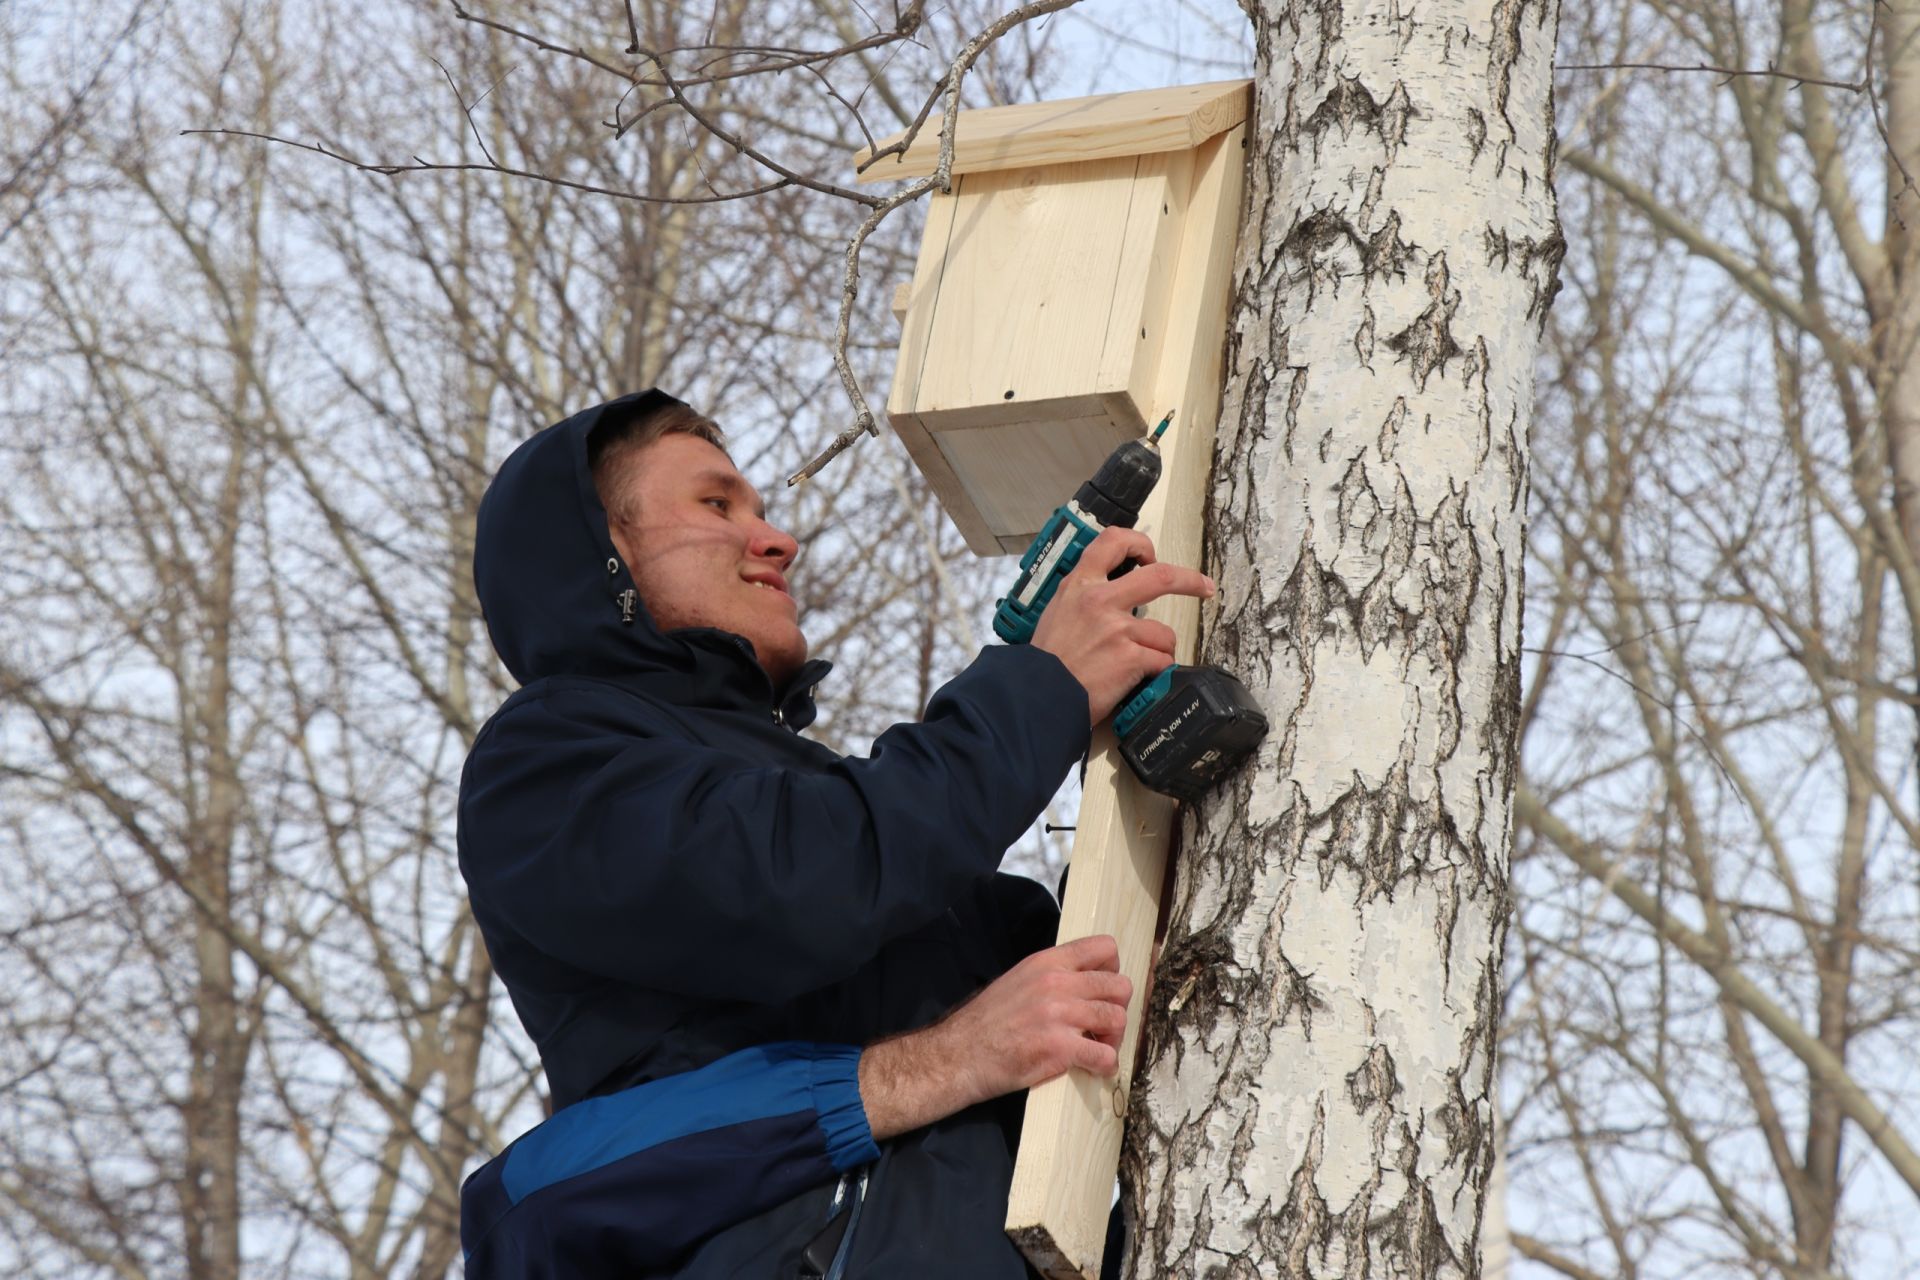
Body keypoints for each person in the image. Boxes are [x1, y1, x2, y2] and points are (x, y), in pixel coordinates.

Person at [455, 389, 1212, 1278]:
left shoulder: (803, 790)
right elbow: (797, 883)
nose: (777, 539)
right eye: (716, 504)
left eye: (763, 509)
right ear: (603, 558)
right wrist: (1040, 688)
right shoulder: (546, 761)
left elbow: (965, 951)